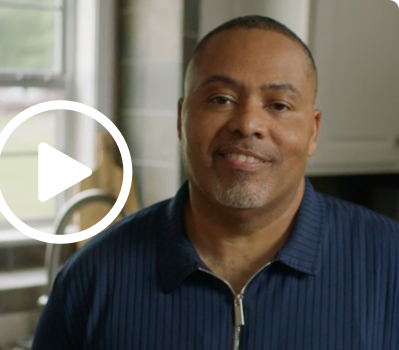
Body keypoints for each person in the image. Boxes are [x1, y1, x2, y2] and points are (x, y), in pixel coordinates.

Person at [31, 15, 399, 350]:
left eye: (279, 105)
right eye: (221, 99)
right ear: (181, 119)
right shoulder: (92, 277)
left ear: (313, 131)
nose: (248, 124)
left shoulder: (390, 263)